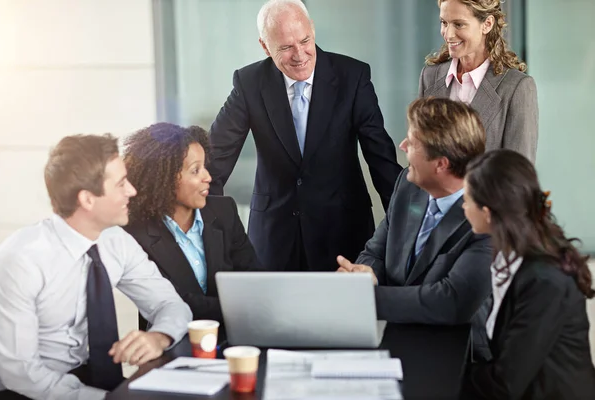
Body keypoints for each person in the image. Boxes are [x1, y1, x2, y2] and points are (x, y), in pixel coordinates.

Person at [208, 0, 402, 272]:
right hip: (274, 239)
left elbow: (381, 159)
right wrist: (209, 233)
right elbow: (213, 162)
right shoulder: (249, 83)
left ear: (313, 30)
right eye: (286, 47)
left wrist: (406, 228)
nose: (299, 54)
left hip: (343, 234)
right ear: (265, 46)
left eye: (305, 40)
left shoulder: (352, 76)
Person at [0, 134, 192, 400]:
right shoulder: (21, 259)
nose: (132, 191)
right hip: (24, 391)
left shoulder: (116, 241)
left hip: (89, 378)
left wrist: (159, 336)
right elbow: (21, 373)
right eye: (121, 184)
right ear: (87, 199)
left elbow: (171, 304)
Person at [337, 97, 492, 360]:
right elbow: (376, 251)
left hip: (457, 356)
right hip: (393, 339)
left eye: (412, 142)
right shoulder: (408, 186)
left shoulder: (487, 216)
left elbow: (449, 302)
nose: (402, 145)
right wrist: (364, 275)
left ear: (441, 164)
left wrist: (365, 298)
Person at [461, 149, 595, 399]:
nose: (463, 206)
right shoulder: (511, 257)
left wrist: (451, 377)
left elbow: (506, 383)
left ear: (487, 213)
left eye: (467, 199)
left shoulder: (545, 281)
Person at [123, 123, 261, 332]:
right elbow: (176, 301)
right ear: (163, 180)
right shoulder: (136, 233)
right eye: (195, 170)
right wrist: (243, 307)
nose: (207, 177)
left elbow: (254, 280)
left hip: (236, 337)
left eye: (205, 167)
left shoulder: (224, 212)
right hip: (173, 342)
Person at [419, 0, 538, 162]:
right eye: (444, 23)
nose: (448, 34)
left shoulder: (516, 87)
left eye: (459, 25)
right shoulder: (429, 77)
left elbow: (517, 176)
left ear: (487, 24)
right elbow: (420, 157)